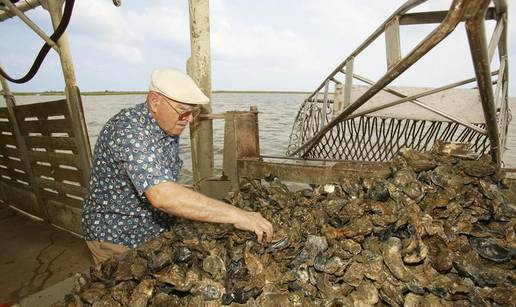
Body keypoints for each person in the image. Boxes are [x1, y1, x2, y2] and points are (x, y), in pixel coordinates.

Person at [82, 68, 273, 265]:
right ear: (155, 102)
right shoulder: (128, 130)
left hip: (155, 231)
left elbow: (166, 184)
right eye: (183, 111)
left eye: (193, 111)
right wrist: (237, 214)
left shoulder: (165, 124)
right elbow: (163, 196)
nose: (189, 119)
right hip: (117, 237)